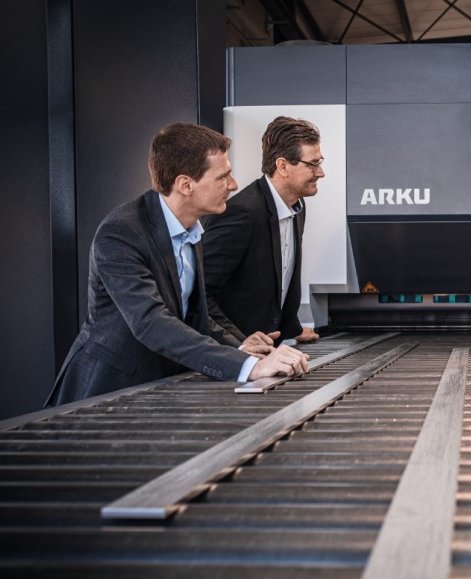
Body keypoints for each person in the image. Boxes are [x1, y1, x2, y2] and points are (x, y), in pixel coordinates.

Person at [47, 123, 309, 406]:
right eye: (223, 177)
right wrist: (248, 367)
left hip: (157, 389)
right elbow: (151, 322)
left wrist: (242, 347)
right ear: (185, 184)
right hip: (106, 392)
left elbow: (193, 315)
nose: (233, 185)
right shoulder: (121, 233)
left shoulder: (191, 229)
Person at [202, 116, 323, 347]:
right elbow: (200, 293)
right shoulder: (242, 213)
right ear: (283, 166)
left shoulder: (297, 206)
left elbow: (278, 279)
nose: (320, 172)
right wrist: (239, 342)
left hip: (270, 347)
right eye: (313, 164)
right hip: (236, 353)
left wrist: (292, 328)